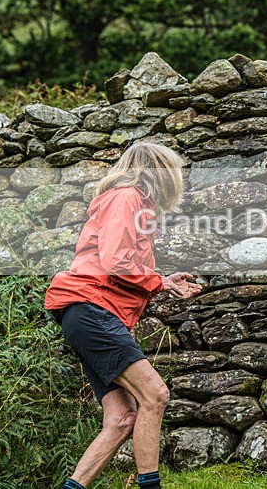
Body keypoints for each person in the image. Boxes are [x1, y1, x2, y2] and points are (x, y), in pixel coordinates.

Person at [45, 142, 202, 489]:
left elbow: (121, 261)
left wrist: (164, 281)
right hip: (91, 309)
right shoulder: (126, 196)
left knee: (121, 418)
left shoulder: (130, 202)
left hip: (88, 313)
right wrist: (158, 280)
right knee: (155, 395)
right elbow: (116, 262)